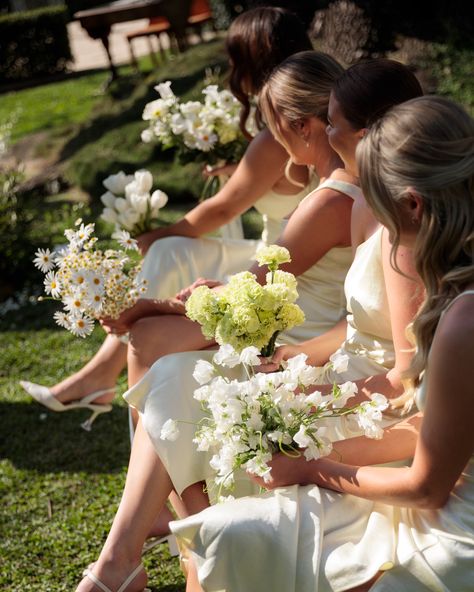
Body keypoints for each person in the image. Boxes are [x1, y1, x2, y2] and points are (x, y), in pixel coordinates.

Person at [76, 57, 425, 592]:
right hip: (331, 364)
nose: (328, 135)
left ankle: (178, 553)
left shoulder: (397, 219)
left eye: (334, 123)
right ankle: (122, 563)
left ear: (365, 133)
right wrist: (292, 363)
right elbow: (355, 324)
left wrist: (311, 392)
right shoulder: (365, 205)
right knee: (172, 377)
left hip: (370, 400)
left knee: (181, 376)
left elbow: (405, 371)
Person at [174, 95, 474, 592]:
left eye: (380, 211)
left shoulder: (463, 316)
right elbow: (433, 429)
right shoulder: (455, 295)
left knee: (243, 538)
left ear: (414, 205)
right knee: (229, 531)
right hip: (435, 499)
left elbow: (426, 486)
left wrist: (313, 468)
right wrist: (321, 440)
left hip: (452, 538)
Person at [20, 6, 316, 420]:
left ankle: (101, 375)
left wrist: (154, 233)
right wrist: (238, 168)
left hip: (286, 266)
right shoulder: (309, 122)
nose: (230, 69)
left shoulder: (275, 138)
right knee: (170, 253)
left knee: (166, 248)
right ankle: (101, 374)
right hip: (284, 252)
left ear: (252, 62)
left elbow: (222, 208)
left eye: (235, 59)